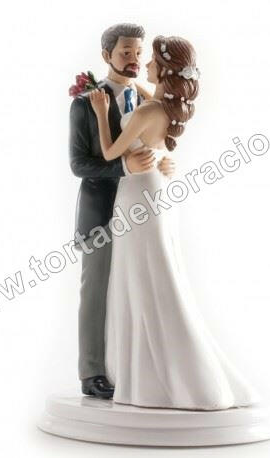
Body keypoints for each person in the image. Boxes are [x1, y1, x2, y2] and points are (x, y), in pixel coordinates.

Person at [89, 35, 261, 410]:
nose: (146, 65)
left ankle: (157, 374)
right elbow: (158, 142)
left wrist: (102, 114)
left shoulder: (147, 112)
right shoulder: (167, 108)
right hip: (160, 190)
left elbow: (110, 152)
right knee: (157, 271)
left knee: (144, 276)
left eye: (151, 61)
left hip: (138, 194)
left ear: (165, 71)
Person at [69, 23, 175, 399]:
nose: (134, 59)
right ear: (107, 55)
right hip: (102, 212)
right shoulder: (86, 103)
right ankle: (92, 371)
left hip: (139, 213)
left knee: (135, 289)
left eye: (138, 52)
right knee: (97, 290)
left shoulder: (144, 97)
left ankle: (127, 367)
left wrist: (161, 162)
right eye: (126, 52)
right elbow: (79, 165)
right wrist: (124, 168)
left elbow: (152, 143)